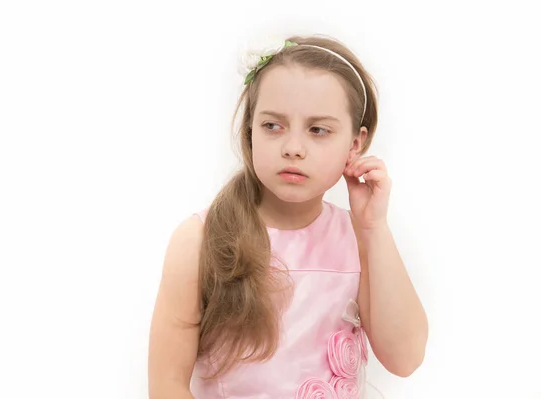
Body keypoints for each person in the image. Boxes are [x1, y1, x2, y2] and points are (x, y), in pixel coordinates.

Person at [148, 34, 428, 399]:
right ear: (250, 130)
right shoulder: (200, 240)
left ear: (355, 144)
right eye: (272, 126)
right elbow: (167, 383)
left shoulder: (359, 240)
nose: (293, 148)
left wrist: (373, 228)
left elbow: (405, 358)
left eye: (318, 130)